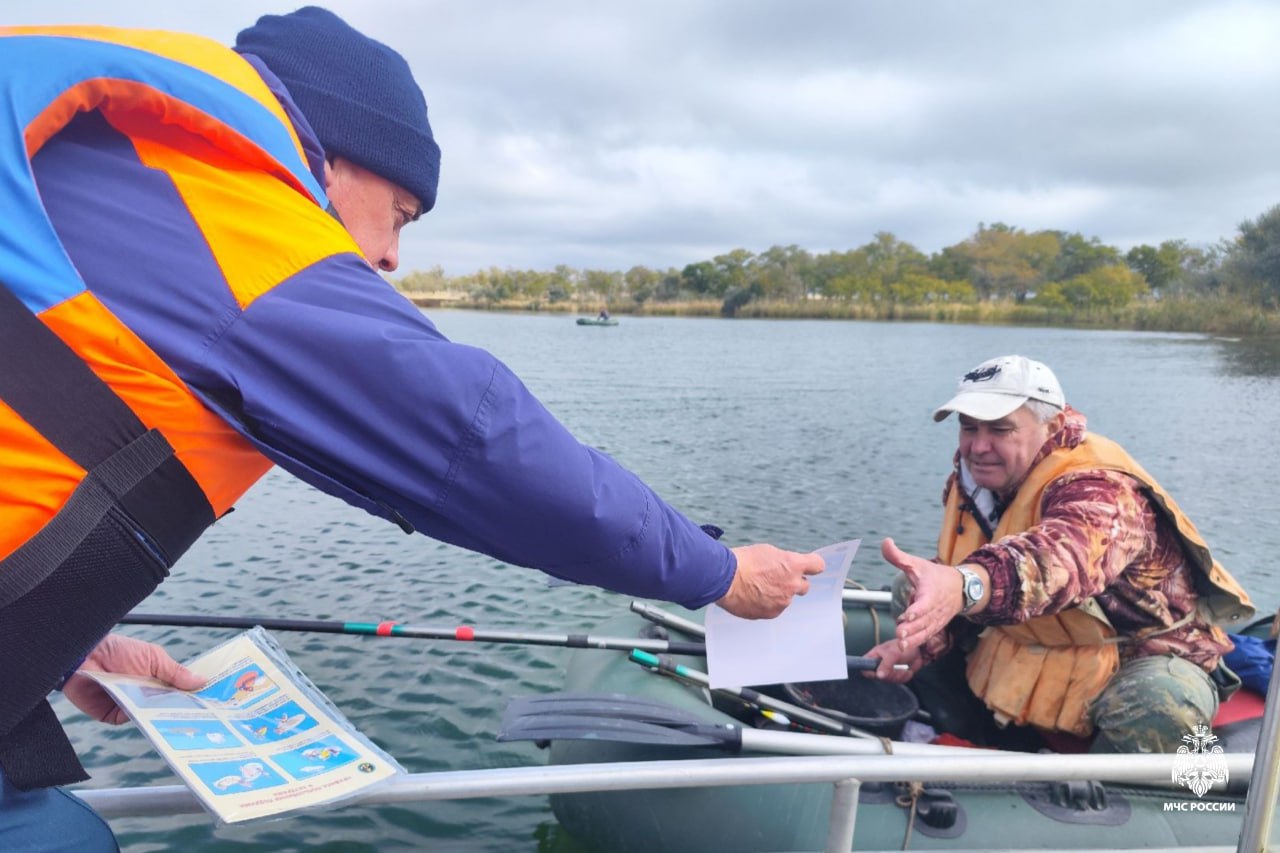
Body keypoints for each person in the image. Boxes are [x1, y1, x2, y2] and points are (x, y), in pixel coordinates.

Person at [0, 9, 823, 847]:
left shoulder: (111, 159)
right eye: (401, 212)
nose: (393, 256)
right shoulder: (223, 206)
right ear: (337, 154)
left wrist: (66, 646)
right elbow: (473, 437)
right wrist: (719, 571)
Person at [867, 355, 1253, 753]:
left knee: (1161, 704)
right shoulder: (974, 482)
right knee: (910, 590)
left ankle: (1109, 800)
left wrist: (962, 584)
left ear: (1050, 427)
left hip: (1134, 654)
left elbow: (1056, 562)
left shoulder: (1100, 489)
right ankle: (971, 738)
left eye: (1000, 429)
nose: (978, 447)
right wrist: (924, 640)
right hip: (1033, 637)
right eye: (968, 428)